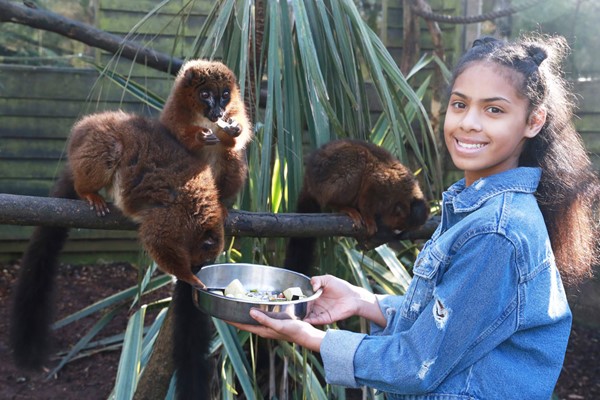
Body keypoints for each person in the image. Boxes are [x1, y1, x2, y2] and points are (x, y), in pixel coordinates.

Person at [228, 34, 600, 399]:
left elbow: (419, 363)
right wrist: (364, 300)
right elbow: (452, 323)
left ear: (534, 121)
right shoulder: (476, 210)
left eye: (494, 109)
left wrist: (312, 338)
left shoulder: (497, 231)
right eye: (459, 104)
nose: (469, 122)